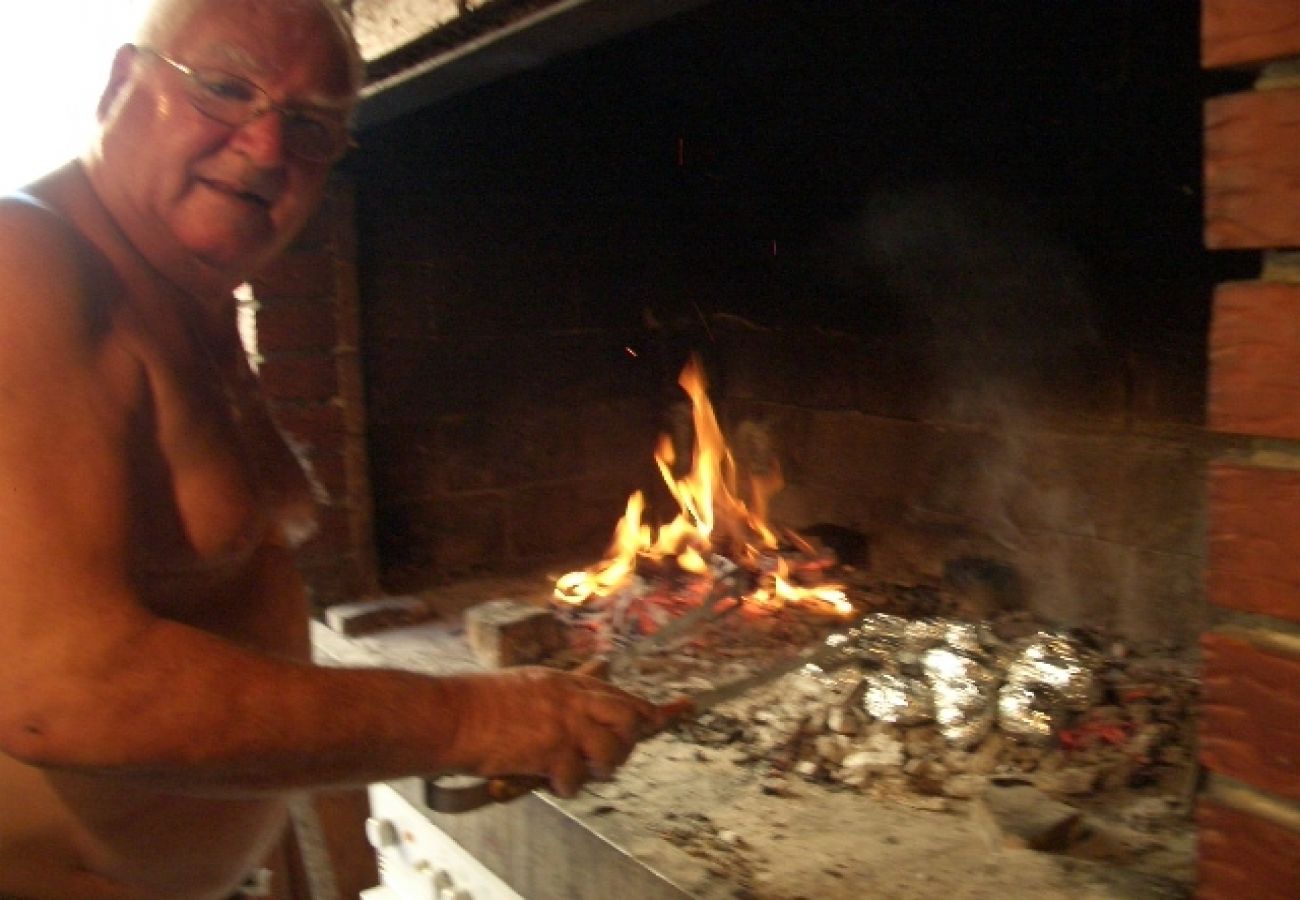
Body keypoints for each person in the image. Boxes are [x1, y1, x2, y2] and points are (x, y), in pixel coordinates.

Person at [0, 1, 676, 897]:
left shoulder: (183, 290)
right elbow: (62, 693)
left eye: (314, 127)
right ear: (123, 84)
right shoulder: (26, 265)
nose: (270, 147)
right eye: (228, 89)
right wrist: (470, 718)